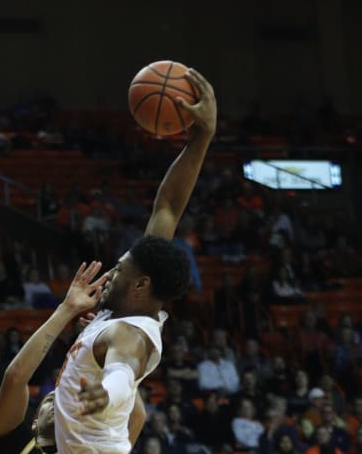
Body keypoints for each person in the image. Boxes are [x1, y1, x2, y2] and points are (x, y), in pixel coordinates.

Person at [54, 67, 217, 454]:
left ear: (141, 284)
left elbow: (122, 372)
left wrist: (105, 394)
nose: (110, 274)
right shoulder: (122, 312)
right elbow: (169, 206)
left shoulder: (131, 332)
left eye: (120, 270)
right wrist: (202, 137)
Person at [0, 261, 107, 454]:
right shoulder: (17, 445)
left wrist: (107, 348)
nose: (59, 403)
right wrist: (67, 309)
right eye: (52, 400)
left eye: (65, 401)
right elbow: (15, 377)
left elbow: (136, 415)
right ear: (35, 423)